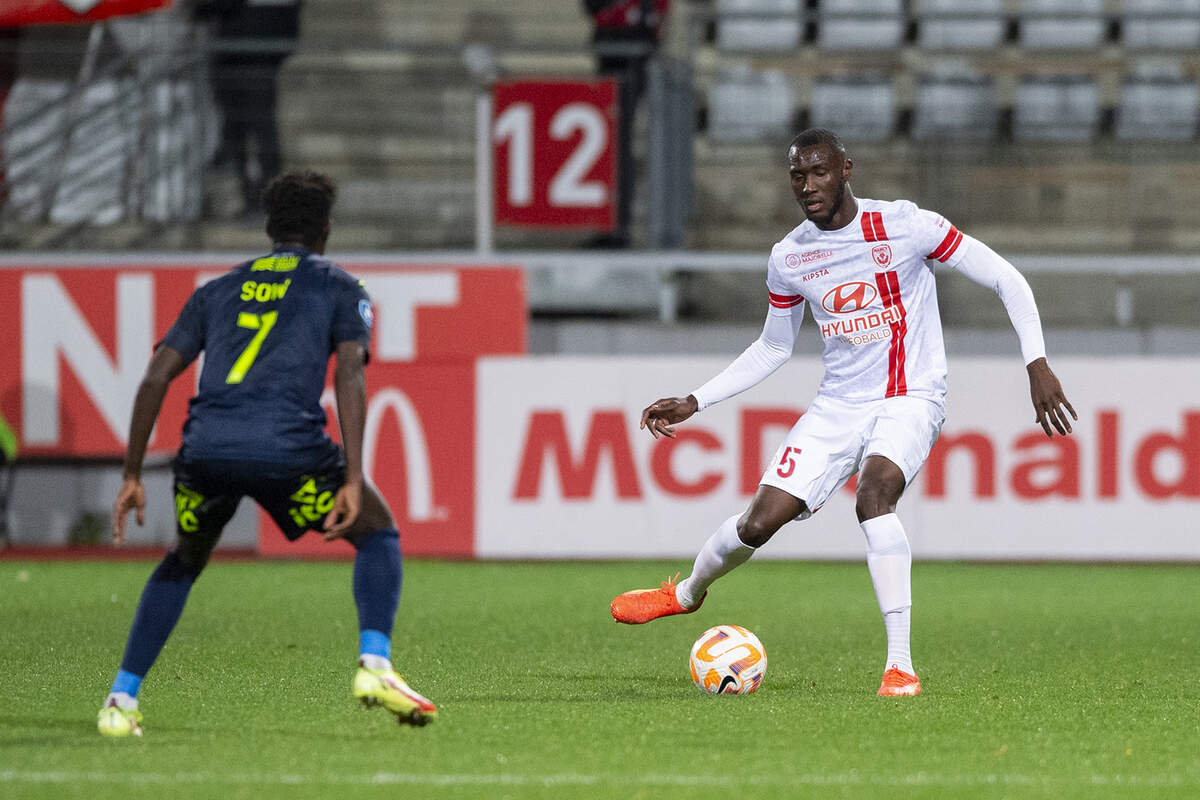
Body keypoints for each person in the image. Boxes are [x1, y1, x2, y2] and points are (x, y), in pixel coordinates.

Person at [610, 128, 1076, 697]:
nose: (808, 186)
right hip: (839, 403)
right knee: (758, 523)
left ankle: (899, 665)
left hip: (912, 394)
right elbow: (774, 347)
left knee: (874, 495)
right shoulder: (790, 257)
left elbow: (1007, 277)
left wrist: (1037, 363)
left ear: (847, 169)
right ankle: (685, 595)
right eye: (797, 176)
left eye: (820, 172)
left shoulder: (905, 225)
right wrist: (696, 400)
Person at [98, 171, 436, 737]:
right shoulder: (340, 286)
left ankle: (120, 700)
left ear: (268, 227)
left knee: (184, 559)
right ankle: (375, 665)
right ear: (325, 229)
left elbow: (157, 377)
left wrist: (132, 473)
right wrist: (352, 477)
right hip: (289, 451)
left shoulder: (217, 289)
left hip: (206, 451)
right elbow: (349, 371)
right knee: (377, 533)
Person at [194, 0, 301, 215]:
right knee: (246, 131)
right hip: (253, 55)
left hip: (243, 55)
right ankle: (257, 197)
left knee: (250, 131)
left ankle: (261, 197)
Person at [581, 0, 668, 247]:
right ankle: (611, 226)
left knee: (620, 142)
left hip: (635, 53)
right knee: (612, 142)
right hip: (611, 49)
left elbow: (653, 15)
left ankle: (620, 229)